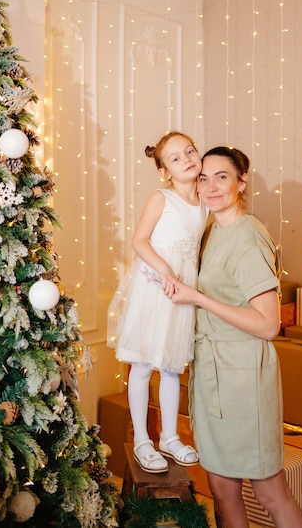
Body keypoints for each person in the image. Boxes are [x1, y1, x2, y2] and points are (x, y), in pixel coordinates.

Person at [167, 146, 302, 527]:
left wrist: (198, 298)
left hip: (244, 379)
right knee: (223, 490)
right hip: (214, 375)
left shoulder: (248, 236)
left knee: (268, 490)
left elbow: (267, 325)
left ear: (242, 181)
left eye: (222, 177)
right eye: (203, 177)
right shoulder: (213, 230)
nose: (210, 186)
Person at [107, 131, 208, 473]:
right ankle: (141, 440)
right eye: (176, 158)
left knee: (171, 366)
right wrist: (165, 269)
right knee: (142, 363)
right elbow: (139, 241)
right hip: (155, 286)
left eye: (190, 151)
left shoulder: (205, 202)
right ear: (165, 171)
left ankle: (169, 436)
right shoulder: (161, 198)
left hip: (182, 290)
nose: (188, 159)